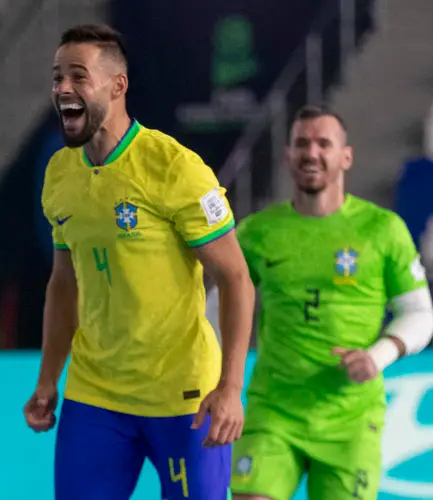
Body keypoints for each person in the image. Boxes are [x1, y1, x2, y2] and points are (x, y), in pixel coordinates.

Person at [23, 24, 256, 500]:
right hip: (96, 396)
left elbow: (235, 278)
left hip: (184, 396)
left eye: (77, 77)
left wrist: (231, 387)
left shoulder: (174, 167)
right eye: (56, 78)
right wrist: (48, 379)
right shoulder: (59, 173)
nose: (63, 89)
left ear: (117, 85)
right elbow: (64, 283)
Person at [230, 105, 433, 500]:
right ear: (288, 155)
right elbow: (220, 307)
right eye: (301, 143)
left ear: (346, 156)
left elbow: (420, 313)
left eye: (324, 143)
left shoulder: (383, 229)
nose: (311, 153)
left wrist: (378, 355)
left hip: (351, 417)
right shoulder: (256, 233)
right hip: (274, 410)